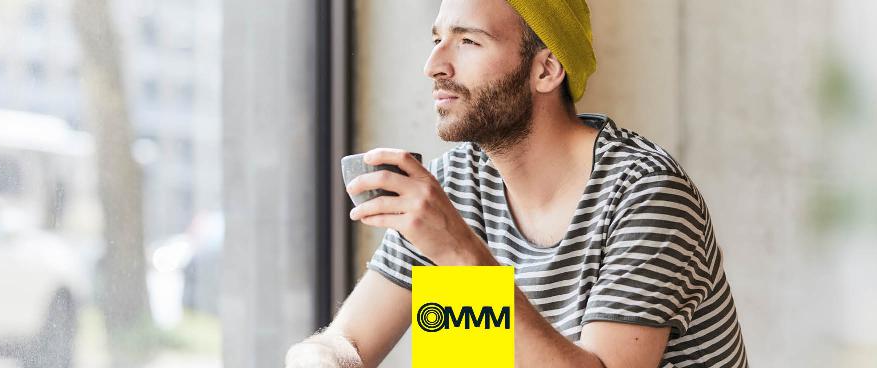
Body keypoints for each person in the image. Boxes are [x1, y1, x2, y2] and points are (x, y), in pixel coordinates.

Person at [286, 0, 748, 366]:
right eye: (437, 38)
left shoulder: (646, 196)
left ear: (545, 70)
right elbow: (348, 342)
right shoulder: (458, 183)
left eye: (468, 41)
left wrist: (457, 251)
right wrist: (319, 358)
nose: (434, 65)